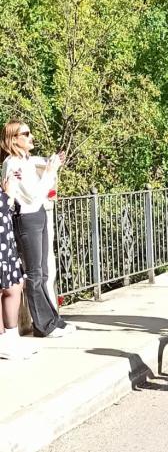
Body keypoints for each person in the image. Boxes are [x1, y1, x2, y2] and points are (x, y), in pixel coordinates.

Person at [0, 121, 74, 338]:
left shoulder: (27, 160)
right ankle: (43, 325)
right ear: (14, 139)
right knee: (34, 274)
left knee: (43, 272)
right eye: (26, 133)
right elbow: (33, 194)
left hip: (38, 213)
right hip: (26, 217)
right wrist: (50, 172)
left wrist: (52, 165)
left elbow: (42, 189)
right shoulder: (12, 164)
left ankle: (52, 320)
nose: (31, 136)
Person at [0, 176, 34, 359]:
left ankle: (12, 339)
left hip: (5, 239)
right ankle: (2, 342)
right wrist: (8, 195)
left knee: (14, 287)